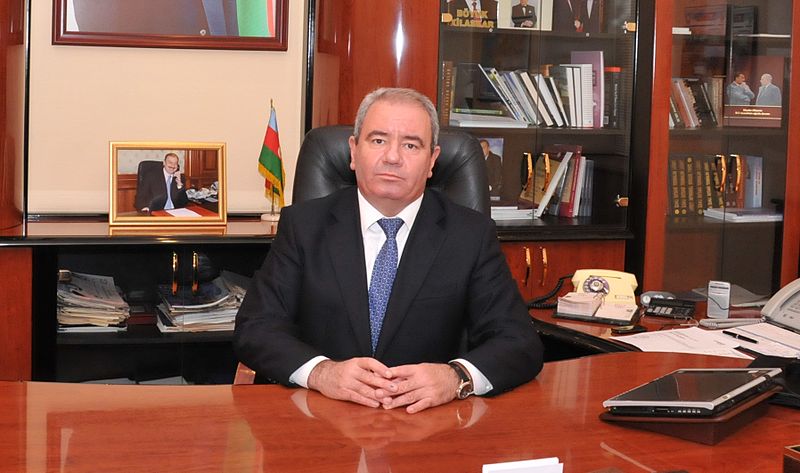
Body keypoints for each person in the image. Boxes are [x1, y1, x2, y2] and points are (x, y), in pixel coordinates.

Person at [234, 87, 543, 414]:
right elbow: (256, 328)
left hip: (429, 424)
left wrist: (456, 377)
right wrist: (322, 372)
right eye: (378, 140)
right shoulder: (304, 225)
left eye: (411, 145)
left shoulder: (469, 234)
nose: (393, 157)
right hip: (324, 416)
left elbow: (519, 341)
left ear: (432, 161)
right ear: (354, 151)